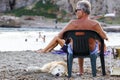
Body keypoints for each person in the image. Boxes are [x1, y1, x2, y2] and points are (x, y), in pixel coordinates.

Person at [36, 0, 108, 75]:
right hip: (90, 50)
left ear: (82, 11)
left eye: (77, 10)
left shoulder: (72, 23)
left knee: (78, 44)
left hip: (75, 50)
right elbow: (104, 37)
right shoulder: (95, 24)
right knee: (85, 43)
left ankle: (81, 71)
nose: (75, 12)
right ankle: (81, 71)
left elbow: (60, 36)